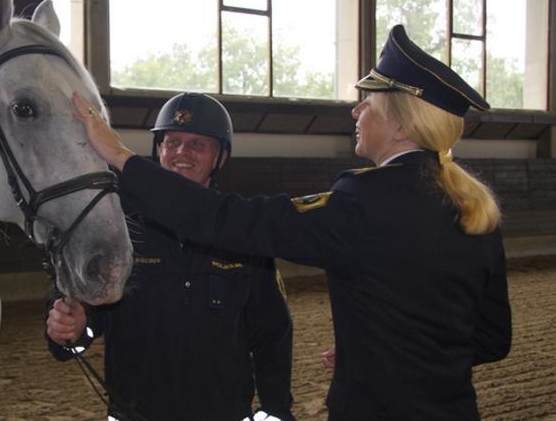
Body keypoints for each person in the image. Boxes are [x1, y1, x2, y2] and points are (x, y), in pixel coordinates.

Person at [73, 25, 512, 420]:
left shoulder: (363, 201)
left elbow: (226, 219)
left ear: (399, 124)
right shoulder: (475, 208)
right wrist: (382, 353)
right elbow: (493, 339)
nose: (356, 112)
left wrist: (118, 155)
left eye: (368, 104)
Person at [46, 93, 296, 421]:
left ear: (220, 157)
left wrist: (276, 409)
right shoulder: (117, 232)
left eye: (197, 145)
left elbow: (271, 334)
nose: (181, 153)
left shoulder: (241, 236)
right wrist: (73, 330)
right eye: (173, 141)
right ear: (159, 149)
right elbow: (80, 327)